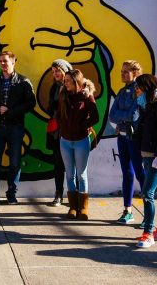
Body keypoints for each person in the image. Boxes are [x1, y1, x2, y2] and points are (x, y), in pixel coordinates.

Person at [0, 51, 36, 205]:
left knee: (15, 162)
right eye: (0, 61)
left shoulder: (23, 81)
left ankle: (11, 195)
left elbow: (31, 102)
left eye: (5, 61)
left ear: (13, 62)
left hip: (16, 126)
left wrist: (12, 112)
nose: (3, 64)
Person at [57, 69, 99, 220]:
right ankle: (73, 207)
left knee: (81, 175)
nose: (65, 83)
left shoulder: (87, 96)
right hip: (65, 141)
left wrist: (82, 126)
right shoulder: (63, 95)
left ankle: (83, 208)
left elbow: (95, 117)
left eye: (68, 81)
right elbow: (58, 114)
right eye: (65, 80)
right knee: (69, 175)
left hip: (81, 141)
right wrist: (63, 126)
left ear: (76, 82)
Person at [133, 74, 157, 248]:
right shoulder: (148, 106)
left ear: (147, 87)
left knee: (147, 194)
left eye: (138, 87)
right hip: (148, 156)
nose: (136, 90)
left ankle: (148, 233)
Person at [108, 60, 145, 224]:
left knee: (140, 173)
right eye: (121, 71)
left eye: (126, 71)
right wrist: (124, 118)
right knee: (127, 174)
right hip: (122, 136)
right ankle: (127, 210)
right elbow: (111, 115)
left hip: (134, 138)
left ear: (135, 73)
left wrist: (122, 117)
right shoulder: (122, 91)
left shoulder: (140, 92)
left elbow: (133, 115)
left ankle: (148, 214)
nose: (122, 74)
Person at [45, 59, 73, 207]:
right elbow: (50, 108)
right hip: (57, 131)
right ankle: (58, 194)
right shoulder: (54, 88)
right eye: (53, 71)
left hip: (70, 131)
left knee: (72, 166)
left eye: (58, 71)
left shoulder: (72, 88)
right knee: (58, 164)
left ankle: (74, 197)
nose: (55, 74)